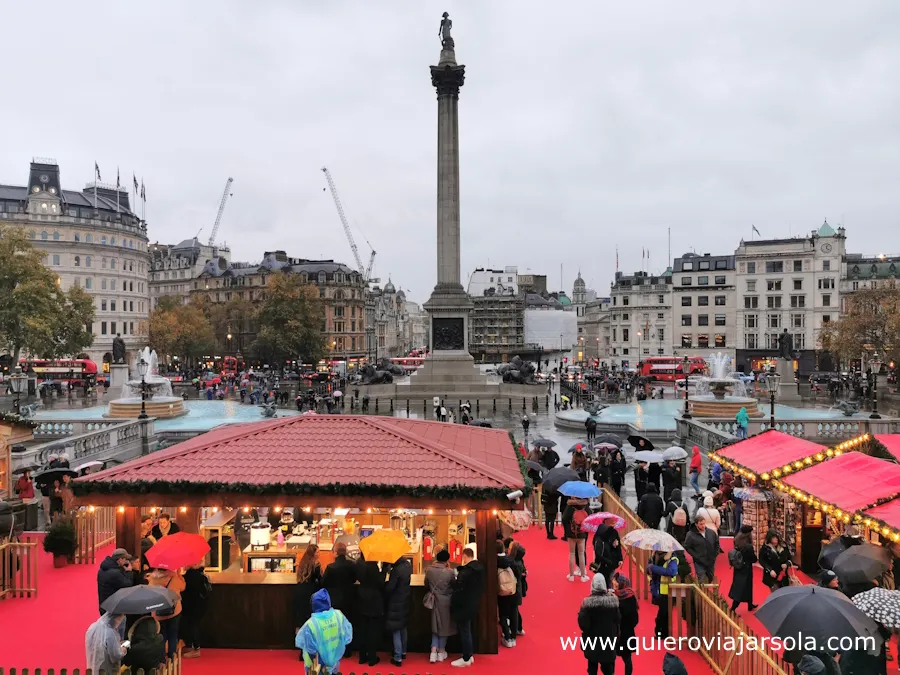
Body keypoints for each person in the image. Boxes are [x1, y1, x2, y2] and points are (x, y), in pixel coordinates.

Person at [295, 588, 353, 675]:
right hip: (333, 661)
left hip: (314, 666)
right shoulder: (338, 615)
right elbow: (347, 637)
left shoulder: (311, 624)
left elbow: (310, 650)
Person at [576, 573, 620, 675]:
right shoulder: (613, 604)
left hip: (592, 644)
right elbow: (618, 619)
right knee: (609, 671)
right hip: (608, 644)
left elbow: (583, 625)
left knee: (592, 669)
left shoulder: (587, 605)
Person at [450, 547, 484, 668]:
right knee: (467, 630)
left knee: (464, 631)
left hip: (463, 605)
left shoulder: (465, 573)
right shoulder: (479, 570)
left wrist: (454, 579)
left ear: (464, 556)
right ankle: (469, 655)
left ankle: (466, 657)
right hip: (473, 603)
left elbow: (458, 587)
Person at [322, 541, 358, 654]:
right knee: (347, 624)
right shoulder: (352, 565)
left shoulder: (330, 567)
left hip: (335, 600)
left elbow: (323, 582)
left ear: (335, 553)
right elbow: (354, 579)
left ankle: (336, 649)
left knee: (335, 625)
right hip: (349, 598)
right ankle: (348, 650)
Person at [425, 548, 456, 664]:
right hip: (446, 601)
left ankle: (433, 651)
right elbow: (454, 585)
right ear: (447, 560)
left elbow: (426, 584)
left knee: (435, 626)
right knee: (444, 627)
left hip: (433, 601)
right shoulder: (449, 572)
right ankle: (441, 651)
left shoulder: (429, 570)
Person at [148, 567, 186, 660]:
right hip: (174, 611)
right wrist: (179, 574)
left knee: (161, 635)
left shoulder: (152, 579)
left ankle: (161, 658)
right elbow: (183, 587)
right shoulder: (174, 578)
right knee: (172, 634)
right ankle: (171, 657)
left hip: (158, 612)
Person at [355, 552, 385, 666]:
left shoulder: (358, 563)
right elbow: (379, 582)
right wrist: (384, 570)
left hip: (362, 598)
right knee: (372, 631)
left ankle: (362, 657)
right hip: (374, 600)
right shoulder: (372, 566)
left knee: (363, 629)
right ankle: (372, 657)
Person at [293, 545, 323, 655]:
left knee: (302, 621)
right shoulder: (316, 565)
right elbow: (321, 581)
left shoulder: (302, 563)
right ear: (313, 553)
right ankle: (310, 650)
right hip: (310, 594)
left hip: (299, 593)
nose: (319, 553)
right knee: (311, 623)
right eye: (317, 552)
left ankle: (302, 651)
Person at [384, 555, 412, 666]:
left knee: (395, 629)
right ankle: (403, 651)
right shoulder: (407, 565)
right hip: (405, 599)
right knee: (403, 627)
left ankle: (397, 657)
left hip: (395, 601)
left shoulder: (396, 570)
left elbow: (390, 587)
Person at [180, 562, 211, 659]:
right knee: (193, 625)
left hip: (192, 605)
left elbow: (185, 589)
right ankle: (192, 646)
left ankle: (196, 648)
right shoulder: (201, 574)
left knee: (193, 626)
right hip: (200, 605)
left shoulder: (190, 576)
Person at [611, 572, 638, 675]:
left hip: (623, 634)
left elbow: (633, 619)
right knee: (620, 658)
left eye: (616, 581)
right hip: (621, 633)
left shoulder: (623, 599)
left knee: (624, 659)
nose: (613, 582)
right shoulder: (617, 596)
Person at [496, 539, 521, 647]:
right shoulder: (511, 561)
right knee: (513, 613)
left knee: (503, 614)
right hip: (513, 590)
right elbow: (518, 576)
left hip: (502, 591)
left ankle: (507, 636)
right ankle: (513, 637)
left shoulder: (495, 561)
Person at [647, 551, 678, 638]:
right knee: (663, 613)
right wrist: (650, 567)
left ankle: (662, 633)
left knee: (663, 614)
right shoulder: (654, 556)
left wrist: (654, 568)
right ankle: (662, 633)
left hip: (668, 590)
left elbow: (672, 572)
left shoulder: (672, 559)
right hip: (657, 588)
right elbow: (648, 569)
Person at [728, 524, 758, 612]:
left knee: (741, 586)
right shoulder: (748, 546)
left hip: (738, 567)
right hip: (746, 568)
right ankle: (733, 608)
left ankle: (749, 604)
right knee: (743, 588)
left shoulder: (737, 539)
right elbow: (753, 559)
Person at [97, 548, 135, 614]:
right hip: (112, 607)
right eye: (125, 559)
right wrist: (129, 572)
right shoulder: (115, 573)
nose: (126, 561)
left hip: (103, 604)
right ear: (120, 559)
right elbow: (127, 584)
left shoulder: (102, 569)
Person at [684, 516, 719, 583]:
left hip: (711, 560)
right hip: (699, 561)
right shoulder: (690, 534)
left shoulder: (711, 532)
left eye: (704, 523)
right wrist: (696, 556)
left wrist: (715, 554)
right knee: (701, 580)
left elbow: (716, 544)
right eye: (701, 524)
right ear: (696, 524)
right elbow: (687, 547)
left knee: (710, 578)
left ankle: (706, 592)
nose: (703, 526)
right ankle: (702, 592)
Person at [562, 497, 590, 582]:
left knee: (571, 553)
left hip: (571, 533)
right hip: (582, 533)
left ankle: (571, 575)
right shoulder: (585, 505)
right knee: (581, 554)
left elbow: (564, 519)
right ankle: (583, 575)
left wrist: (567, 530)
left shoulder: (570, 505)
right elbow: (590, 517)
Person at [592, 520, 623, 587]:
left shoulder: (614, 532)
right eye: (611, 525)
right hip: (602, 564)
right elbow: (598, 554)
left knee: (610, 581)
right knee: (602, 582)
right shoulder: (599, 537)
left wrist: (620, 558)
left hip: (612, 562)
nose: (613, 527)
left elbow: (618, 546)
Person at [508, 540, 528, 636]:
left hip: (514, 589)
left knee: (513, 610)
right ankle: (518, 628)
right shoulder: (519, 562)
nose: (508, 549)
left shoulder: (514, 564)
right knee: (514, 610)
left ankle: (515, 629)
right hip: (517, 589)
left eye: (510, 548)